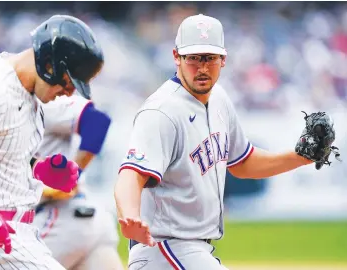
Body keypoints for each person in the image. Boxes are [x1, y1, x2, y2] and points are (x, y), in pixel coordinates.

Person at [114, 14, 337, 270]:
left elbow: (243, 162)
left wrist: (301, 157)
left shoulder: (219, 99)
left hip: (193, 249)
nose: (202, 67)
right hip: (164, 249)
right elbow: (131, 175)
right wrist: (129, 215)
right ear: (176, 57)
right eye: (193, 58)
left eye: (209, 58)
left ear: (223, 59)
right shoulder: (161, 112)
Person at [0, 15, 103, 269]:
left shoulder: (27, 95)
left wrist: (38, 167)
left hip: (10, 237)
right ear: (49, 64)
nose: (69, 93)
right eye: (69, 82)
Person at [32, 94, 124, 270]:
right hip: (91, 219)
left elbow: (98, 121)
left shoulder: (43, 101)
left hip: (57, 219)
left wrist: (71, 176)